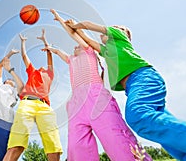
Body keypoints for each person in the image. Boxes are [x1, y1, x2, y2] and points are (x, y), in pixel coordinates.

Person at [68, 18, 186, 161]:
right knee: (165, 137)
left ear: (124, 33)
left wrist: (75, 25)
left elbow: (88, 25)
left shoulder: (119, 37)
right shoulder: (106, 51)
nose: (112, 27)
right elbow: (88, 41)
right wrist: (75, 30)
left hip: (143, 77)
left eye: (116, 26)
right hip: (134, 86)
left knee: (138, 115)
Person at [44, 9, 151, 161]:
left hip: (96, 97)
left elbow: (74, 34)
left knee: (116, 140)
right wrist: (50, 48)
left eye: (78, 45)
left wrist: (60, 19)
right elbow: (58, 52)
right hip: (76, 104)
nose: (75, 47)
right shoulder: (71, 60)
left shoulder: (89, 52)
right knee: (77, 147)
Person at [3, 29, 63, 161]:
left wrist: (44, 40)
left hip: (45, 106)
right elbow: (24, 57)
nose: (42, 66)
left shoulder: (49, 74)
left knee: (53, 146)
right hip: (27, 103)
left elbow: (49, 54)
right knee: (16, 144)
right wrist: (23, 42)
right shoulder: (33, 71)